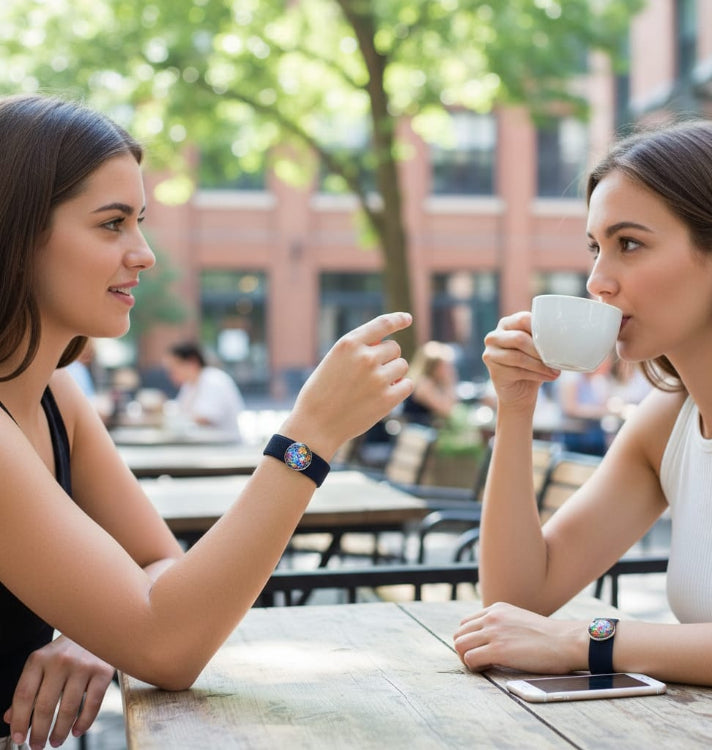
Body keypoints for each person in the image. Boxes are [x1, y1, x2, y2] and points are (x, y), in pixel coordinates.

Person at [0, 93, 413, 750]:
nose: (144, 254)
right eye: (111, 224)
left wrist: (92, 628)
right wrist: (309, 438)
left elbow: (159, 563)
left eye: (139, 221)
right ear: (17, 234)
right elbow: (169, 645)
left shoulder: (56, 396)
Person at [453, 119, 712, 690]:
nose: (597, 281)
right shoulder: (665, 427)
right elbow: (518, 601)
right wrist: (515, 410)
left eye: (629, 244)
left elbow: (544, 628)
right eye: (596, 248)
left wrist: (589, 640)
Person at [162, 341, 245, 440]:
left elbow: (207, 418)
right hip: (204, 445)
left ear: (192, 362)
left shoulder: (213, 380)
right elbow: (179, 410)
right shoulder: (189, 385)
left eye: (173, 368)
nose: (170, 375)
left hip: (224, 448)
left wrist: (167, 417)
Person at [401, 340, 458, 428]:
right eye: (445, 366)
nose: (449, 369)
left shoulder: (433, 383)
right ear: (433, 367)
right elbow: (446, 410)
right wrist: (450, 382)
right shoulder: (423, 384)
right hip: (416, 434)